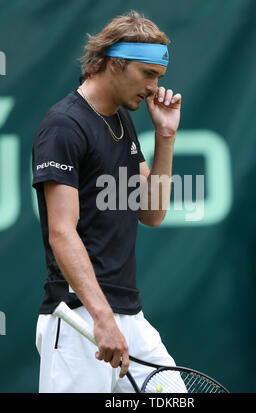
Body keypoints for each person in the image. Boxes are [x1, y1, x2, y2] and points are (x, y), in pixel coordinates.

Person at [32, 11, 181, 393]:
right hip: (80, 320)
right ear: (115, 63)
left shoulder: (121, 119)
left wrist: (165, 136)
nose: (154, 88)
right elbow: (61, 232)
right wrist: (101, 318)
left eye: (158, 78)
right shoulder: (63, 125)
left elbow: (152, 213)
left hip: (129, 315)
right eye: (149, 74)